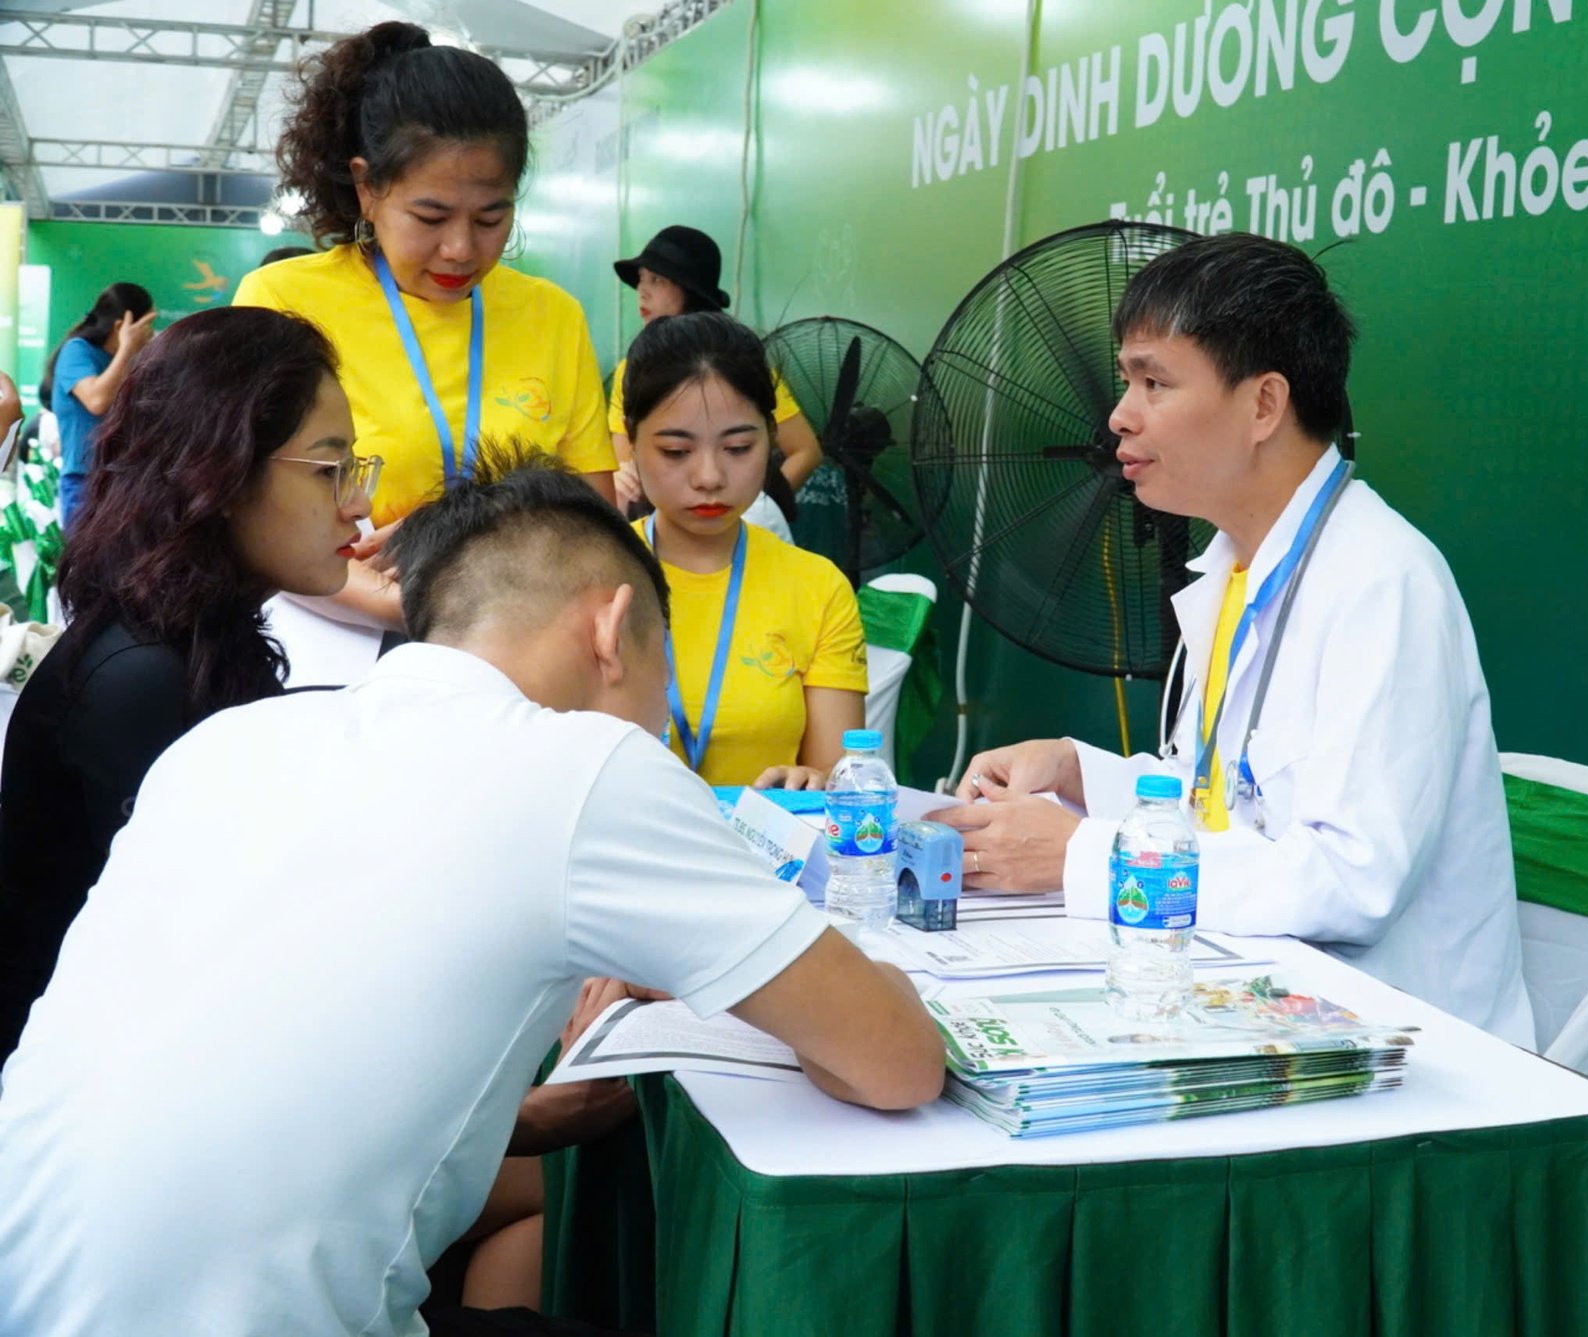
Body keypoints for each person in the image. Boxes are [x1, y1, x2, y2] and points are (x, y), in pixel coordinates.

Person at [0, 455, 943, 1336]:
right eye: (670, 670)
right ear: (612, 631)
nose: (665, 716)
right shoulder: (582, 765)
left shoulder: (232, 743)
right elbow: (897, 1064)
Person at [929, 233, 1535, 1047]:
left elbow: (1351, 880)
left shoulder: (1384, 582)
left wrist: (1084, 857)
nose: (1119, 415)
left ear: (1262, 405)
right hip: (1252, 1006)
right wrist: (1080, 772)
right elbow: (1221, 797)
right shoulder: (1232, 567)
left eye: (1154, 380)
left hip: (1398, 1055)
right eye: (1125, 380)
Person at [0, 306, 376, 1062]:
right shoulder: (142, 680)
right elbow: (216, 964)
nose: (359, 504)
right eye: (330, 469)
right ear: (222, 473)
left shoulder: (190, 639)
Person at [236, 20, 617, 629]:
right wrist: (413, 605)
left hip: (514, 641)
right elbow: (248, 513)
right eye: (431, 216)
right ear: (367, 187)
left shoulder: (553, 316)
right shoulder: (283, 301)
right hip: (336, 648)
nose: (461, 250)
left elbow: (598, 520)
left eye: (491, 219)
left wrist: (461, 529)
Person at [625, 311, 868, 788]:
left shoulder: (817, 588)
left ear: (771, 439)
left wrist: (812, 781)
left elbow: (838, 779)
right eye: (676, 452)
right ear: (631, 441)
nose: (710, 477)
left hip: (766, 853)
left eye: (738, 448)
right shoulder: (587, 575)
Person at [607, 224, 821, 526]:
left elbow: (805, 451)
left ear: (689, 289)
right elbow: (624, 465)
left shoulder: (737, 367)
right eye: (674, 450)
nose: (642, 291)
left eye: (656, 279)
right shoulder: (630, 371)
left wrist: (758, 509)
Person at [40, 281, 155, 526]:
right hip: (85, 483)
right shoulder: (77, 351)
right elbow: (97, 400)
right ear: (121, 327)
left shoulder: (128, 362)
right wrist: (127, 349)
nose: (150, 333)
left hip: (121, 483)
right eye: (147, 325)